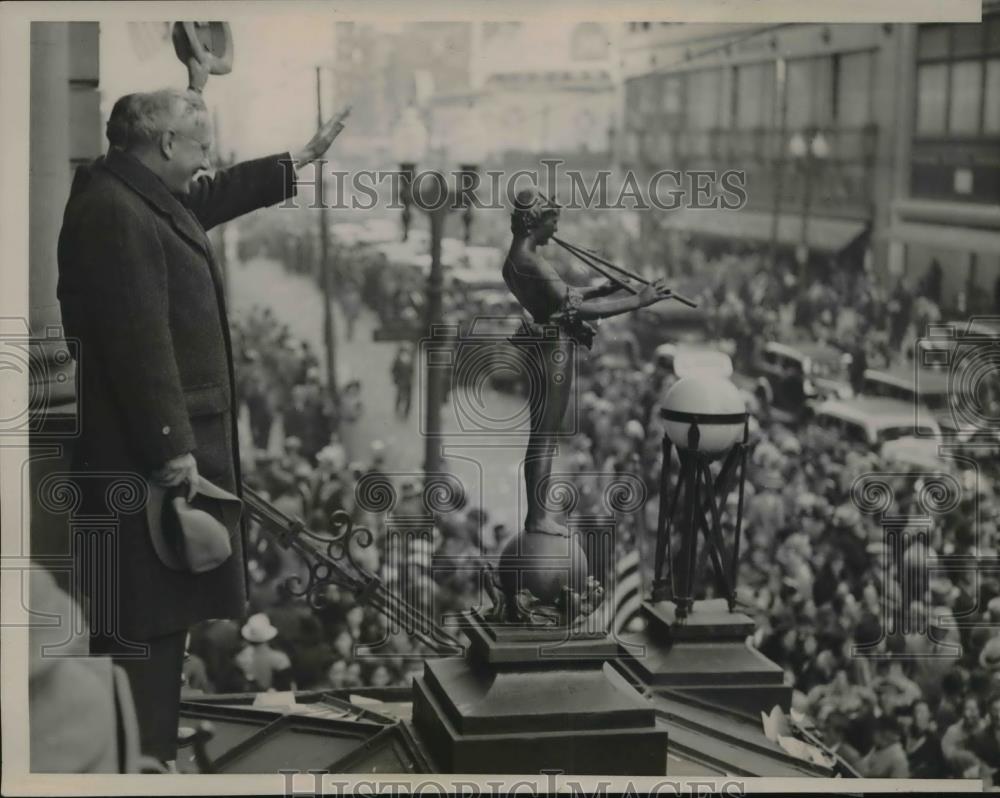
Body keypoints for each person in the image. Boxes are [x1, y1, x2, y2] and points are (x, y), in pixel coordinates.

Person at [56, 61, 349, 767]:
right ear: (161, 144)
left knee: (161, 616)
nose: (207, 156)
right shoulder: (117, 212)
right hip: (149, 459)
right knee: (148, 622)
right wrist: (171, 447)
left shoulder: (134, 195)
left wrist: (296, 161)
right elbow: (140, 338)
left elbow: (211, 195)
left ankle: (146, 749)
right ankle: (141, 760)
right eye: (199, 142)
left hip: (150, 455)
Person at [502, 187, 673, 535]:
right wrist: (638, 301)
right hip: (554, 351)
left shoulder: (517, 259)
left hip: (543, 347)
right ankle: (537, 517)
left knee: (542, 435)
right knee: (544, 437)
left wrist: (604, 289)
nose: (557, 230)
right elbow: (575, 308)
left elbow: (558, 299)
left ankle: (537, 516)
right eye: (553, 221)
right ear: (536, 221)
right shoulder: (531, 261)